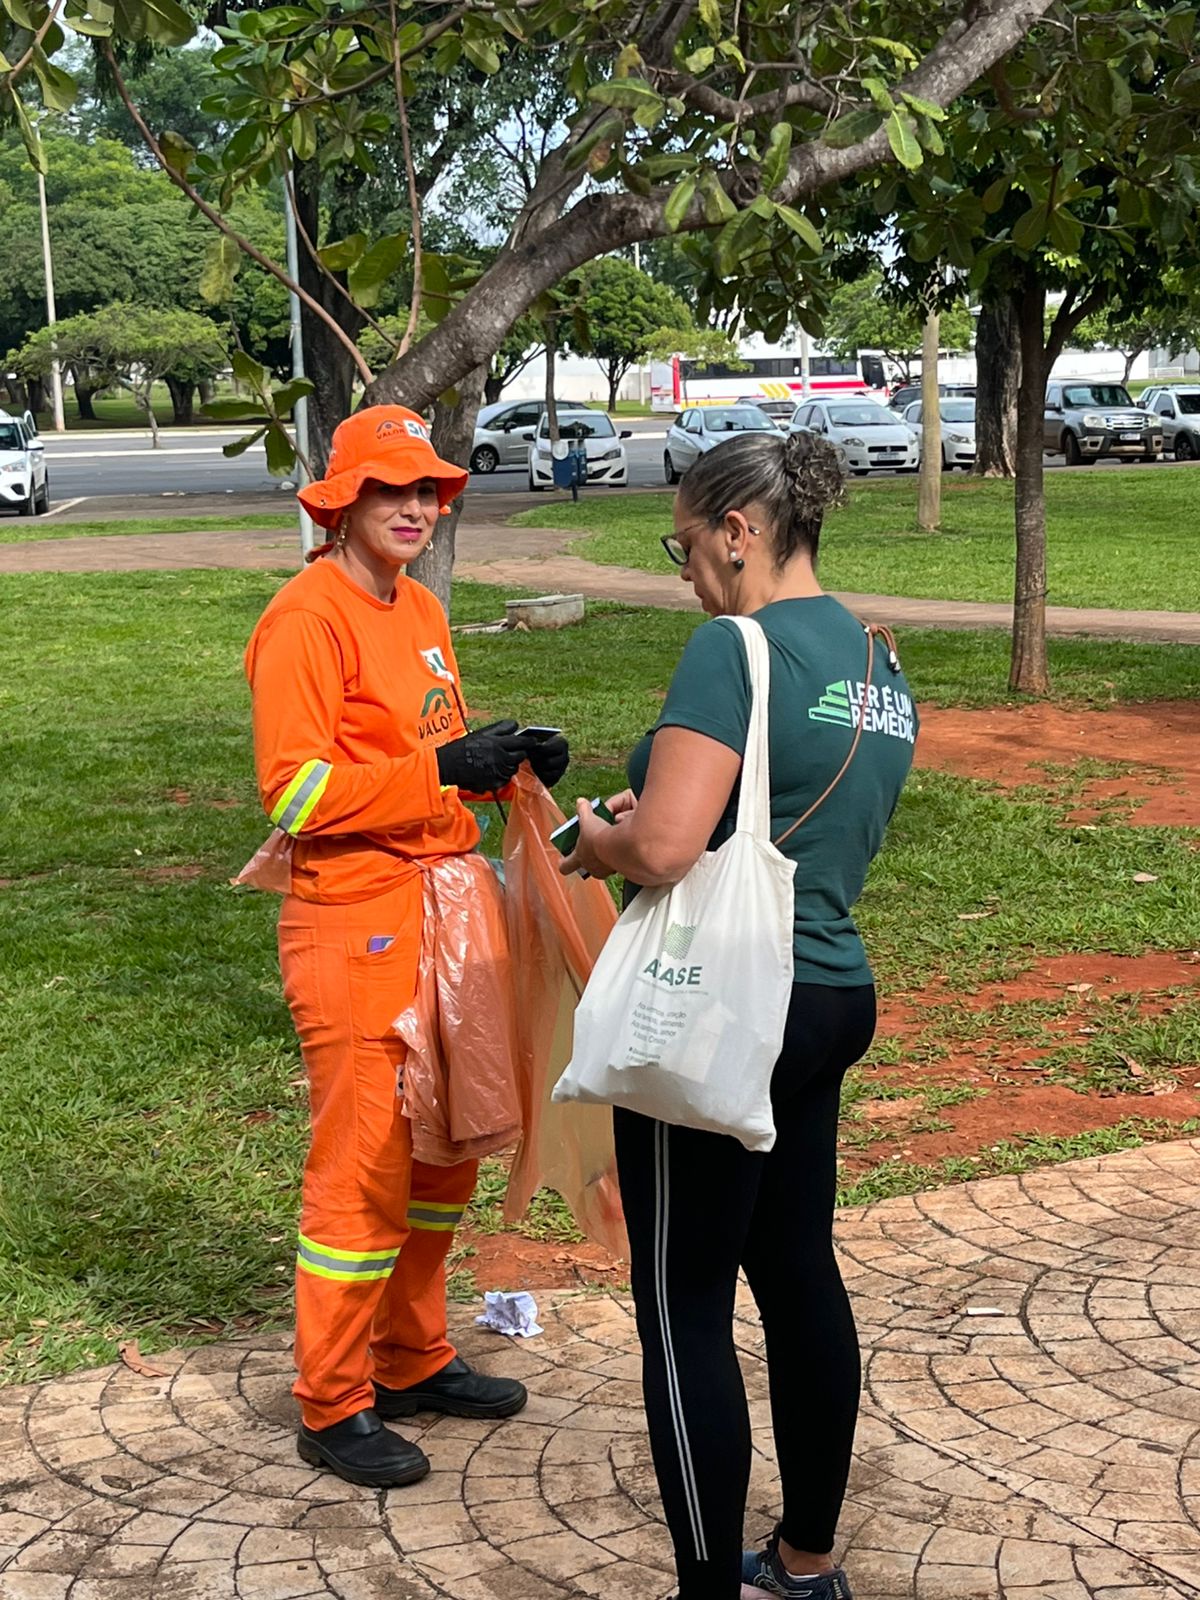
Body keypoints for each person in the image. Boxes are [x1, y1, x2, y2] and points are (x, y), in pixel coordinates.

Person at [560, 429, 916, 1600]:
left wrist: (598, 841)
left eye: (683, 547)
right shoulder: (877, 656)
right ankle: (806, 1558)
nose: (686, 574)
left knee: (683, 1304)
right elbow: (799, 821)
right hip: (829, 990)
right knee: (799, 1269)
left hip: (726, 1007)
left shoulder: (734, 648)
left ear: (737, 530)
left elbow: (666, 847)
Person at [244, 405, 569, 1488]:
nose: (415, 507)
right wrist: (438, 771)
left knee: (443, 1149)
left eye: (428, 489)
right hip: (354, 923)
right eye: (391, 488)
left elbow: (431, 750)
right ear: (341, 501)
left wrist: (501, 764)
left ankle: (411, 1355)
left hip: (442, 906)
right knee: (365, 1166)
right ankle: (333, 1401)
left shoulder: (421, 605)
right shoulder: (305, 618)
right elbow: (295, 792)